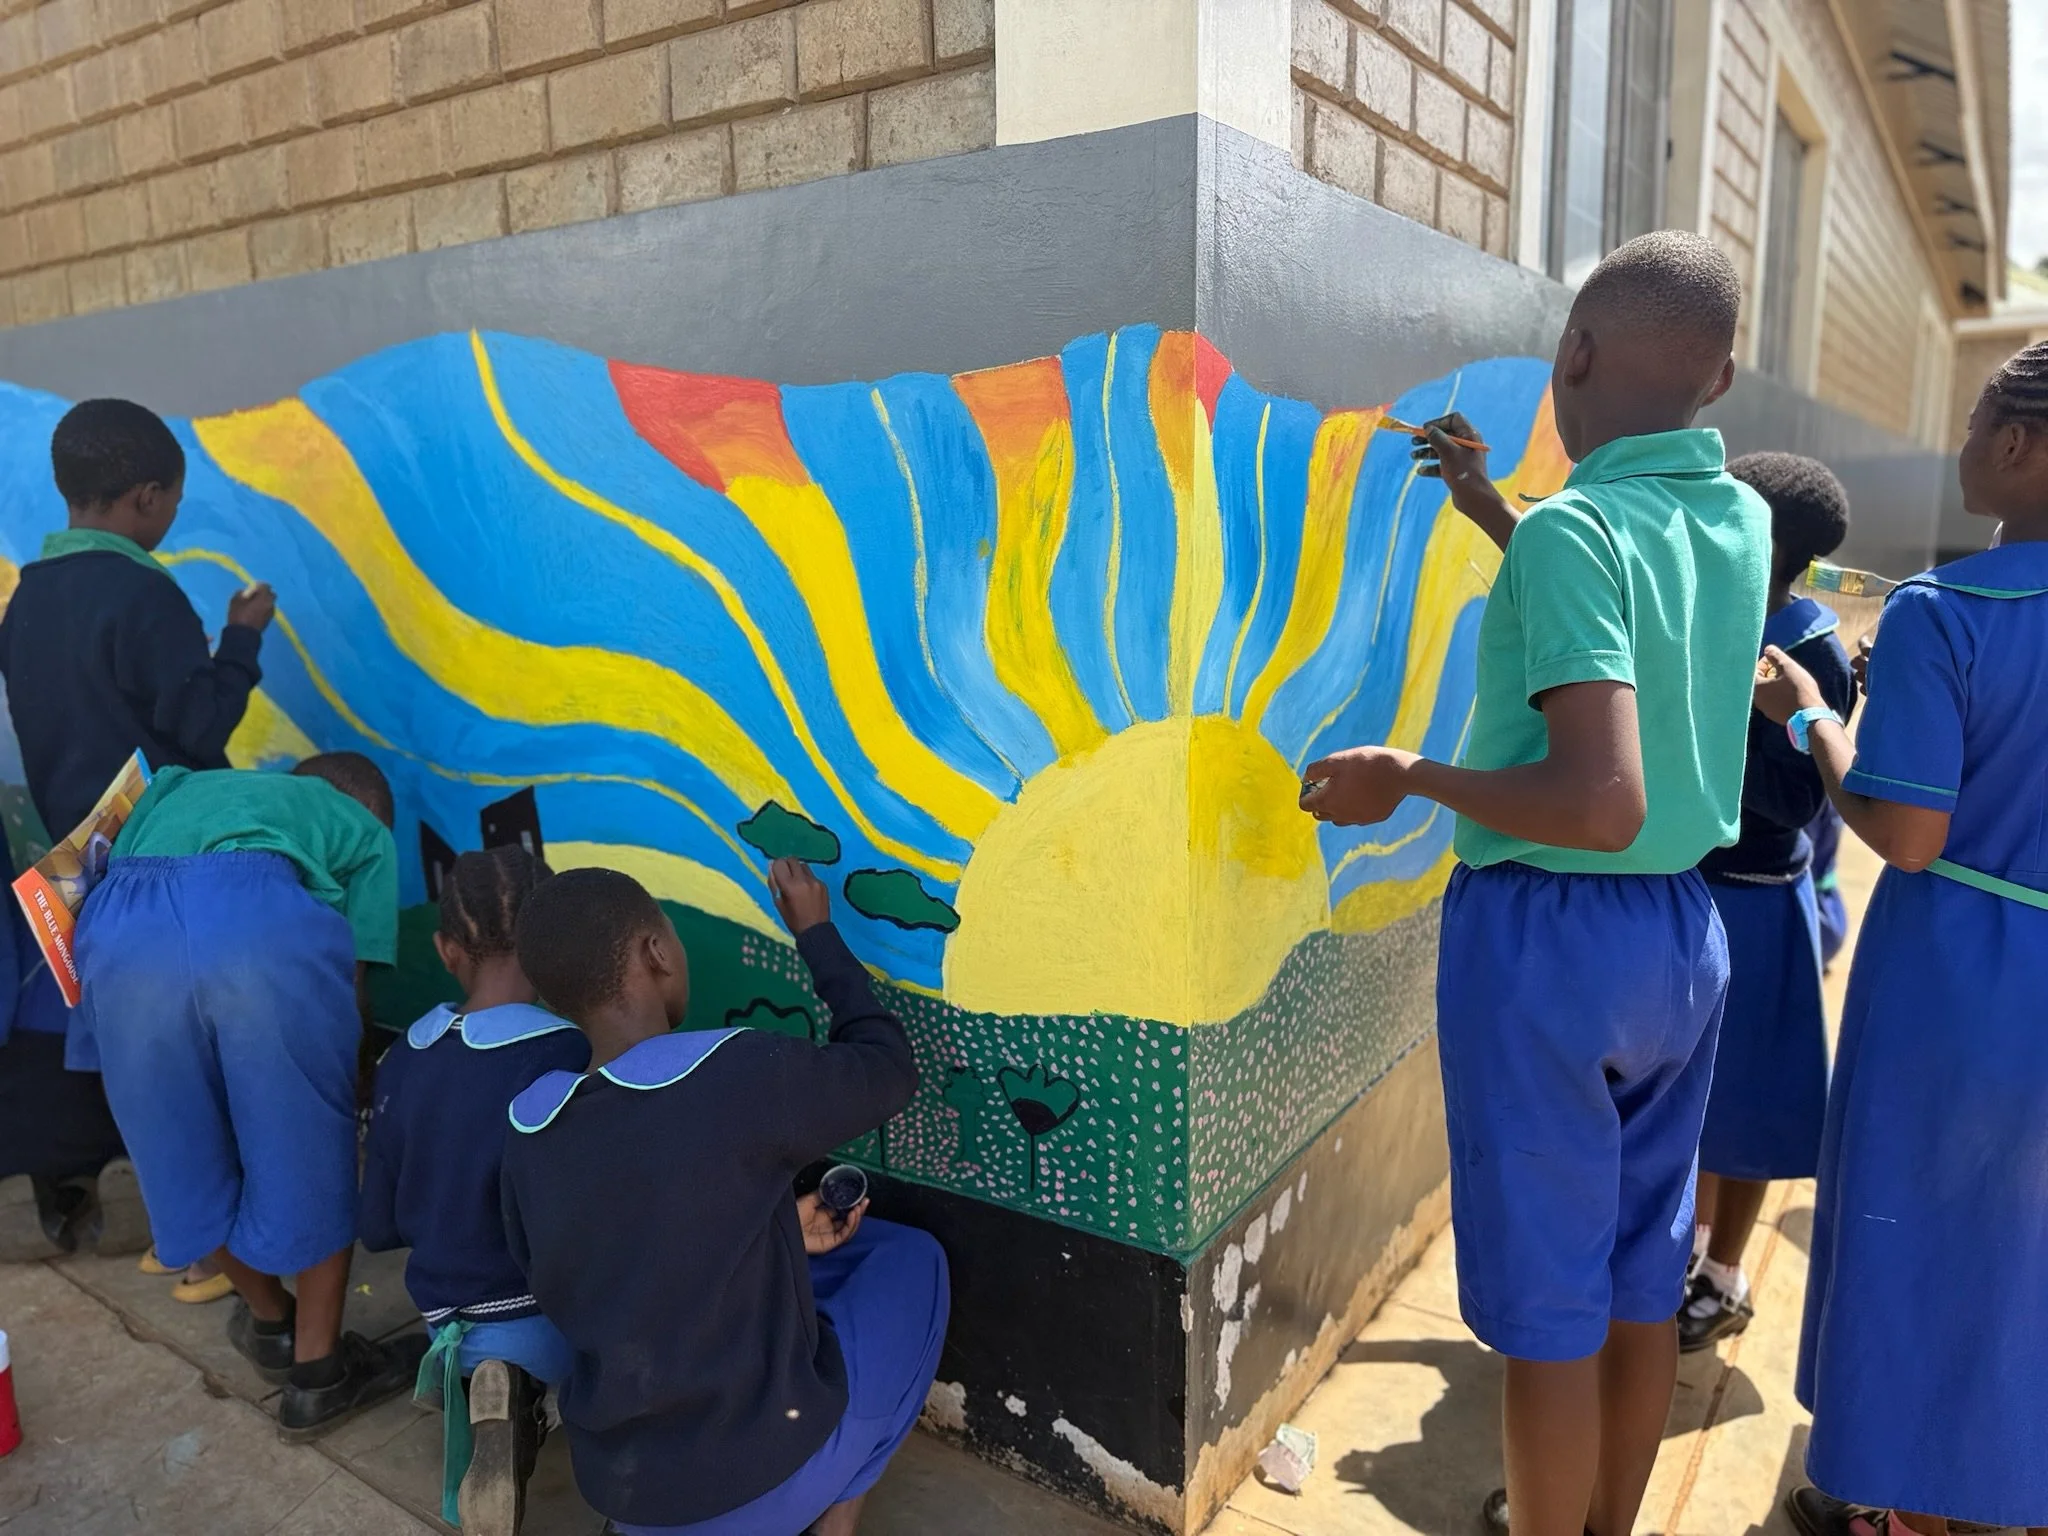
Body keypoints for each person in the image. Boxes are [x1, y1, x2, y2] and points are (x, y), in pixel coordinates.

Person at [1301, 230, 1767, 1536]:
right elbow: (1626, 599)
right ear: (1718, 386)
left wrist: (1413, 775)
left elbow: (1599, 800)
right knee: (1633, 1278)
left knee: (1547, 1318)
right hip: (1682, 938)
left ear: (1569, 355)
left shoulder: (1577, 533)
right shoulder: (1734, 521)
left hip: (1552, 944)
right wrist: (1492, 508)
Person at [1761, 342, 2048, 1536]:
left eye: (1977, 414)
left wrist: (1816, 719)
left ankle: (1903, 1510)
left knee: (1920, 1235)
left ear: (2019, 445)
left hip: (1957, 976)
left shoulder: (1941, 615)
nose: (1965, 435)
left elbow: (1908, 832)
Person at [499, 861, 948, 1536]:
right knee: (916, 1263)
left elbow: (619, 1263)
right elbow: (886, 1068)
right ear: (655, 953)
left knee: (849, 1259)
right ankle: (833, 1515)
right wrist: (816, 933)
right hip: (758, 1477)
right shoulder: (733, 1073)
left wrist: (776, 1233)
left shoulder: (531, 1129)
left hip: (625, 1490)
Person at [73, 753, 423, 1440]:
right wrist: (349, 1080)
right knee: (311, 1150)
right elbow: (351, 983)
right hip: (257, 931)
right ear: (366, 807)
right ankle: (320, 1375)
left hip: (118, 944)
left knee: (181, 1156)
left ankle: (271, 1323)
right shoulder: (363, 828)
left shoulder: (177, 783)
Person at [0, 398, 275, 1267]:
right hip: (167, 855)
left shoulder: (26, 602)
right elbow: (198, 727)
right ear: (148, 498)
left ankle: (174, 1233)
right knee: (208, 1055)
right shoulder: (143, 593)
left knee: (140, 1057)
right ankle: (227, 1243)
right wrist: (240, 640)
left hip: (80, 859)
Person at [358, 845, 589, 1533]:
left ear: (445, 949)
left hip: (445, 1318)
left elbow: (377, 1226)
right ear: (555, 946)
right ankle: (536, 1402)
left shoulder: (402, 1055)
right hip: (540, 1315)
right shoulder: (570, 1054)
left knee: (477, 1332)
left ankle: (483, 1387)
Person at [1683, 452, 1858, 1352]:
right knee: (1696, 1100)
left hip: (1757, 902)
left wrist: (1749, 716)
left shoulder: (1813, 650)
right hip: (1698, 890)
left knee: (1746, 1110)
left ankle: (1722, 1276)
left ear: (1762, 538)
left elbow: (1800, 801)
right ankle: (1689, 1253)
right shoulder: (1716, 616)